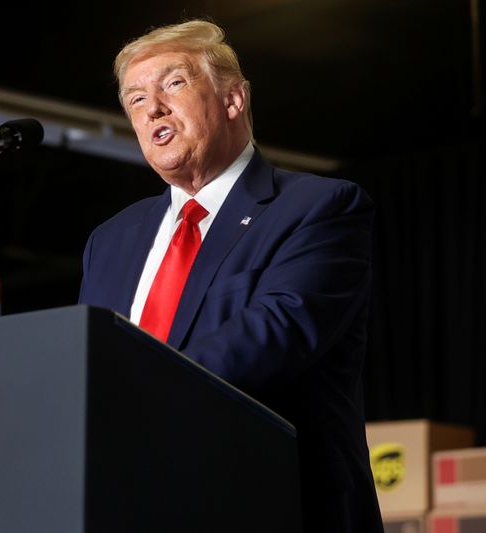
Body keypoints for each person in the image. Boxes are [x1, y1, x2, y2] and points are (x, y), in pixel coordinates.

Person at [78, 19, 384, 533]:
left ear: (233, 100)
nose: (152, 107)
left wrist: (126, 398)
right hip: (131, 506)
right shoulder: (110, 240)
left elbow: (276, 332)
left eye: (172, 84)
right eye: (135, 99)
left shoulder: (318, 208)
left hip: (272, 503)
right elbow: (87, 358)